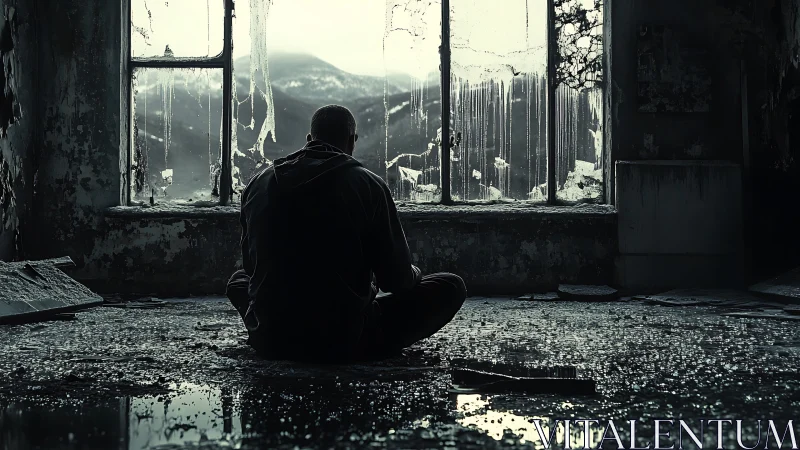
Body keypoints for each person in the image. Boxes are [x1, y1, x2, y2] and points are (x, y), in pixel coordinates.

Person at [226, 105, 467, 363]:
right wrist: (414, 272)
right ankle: (356, 342)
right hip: (341, 339)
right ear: (352, 140)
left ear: (309, 139)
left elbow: (251, 268)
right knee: (451, 287)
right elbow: (396, 281)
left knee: (238, 281)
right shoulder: (369, 185)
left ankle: (275, 329)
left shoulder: (258, 183)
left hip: (270, 337)